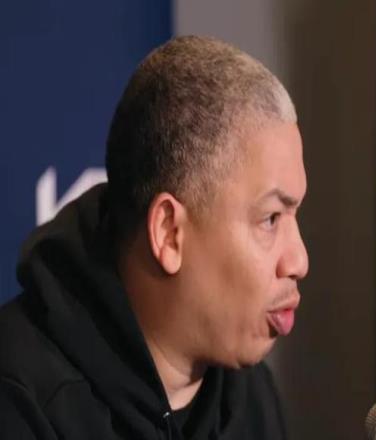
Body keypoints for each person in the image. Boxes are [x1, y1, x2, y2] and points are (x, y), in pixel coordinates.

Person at [0, 35, 308, 439]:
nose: (299, 260)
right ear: (169, 233)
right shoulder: (20, 400)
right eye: (270, 219)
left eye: (294, 216)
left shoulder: (251, 396)